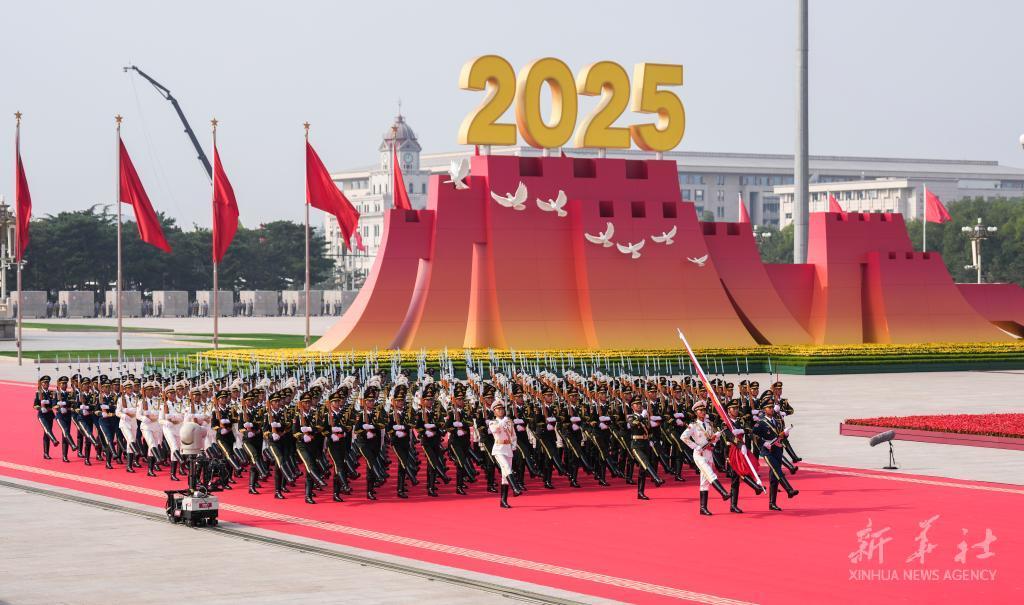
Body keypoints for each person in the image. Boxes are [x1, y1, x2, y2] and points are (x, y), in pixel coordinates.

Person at [681, 400, 731, 515]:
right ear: (695, 412)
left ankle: (703, 508)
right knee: (710, 474)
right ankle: (723, 493)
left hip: (708, 454)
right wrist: (695, 446)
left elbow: (711, 440)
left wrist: (716, 438)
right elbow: (683, 437)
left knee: (704, 482)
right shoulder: (693, 425)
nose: (703, 412)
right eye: (700, 410)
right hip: (699, 455)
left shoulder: (709, 425)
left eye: (704, 410)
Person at [753, 395, 800, 511]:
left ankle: (772, 503)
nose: (771, 409)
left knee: (774, 478)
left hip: (778, 450)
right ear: (764, 409)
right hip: (767, 452)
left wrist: (785, 434)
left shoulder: (777, 421)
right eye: (768, 407)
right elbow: (754, 435)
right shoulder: (761, 423)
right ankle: (789, 490)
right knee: (777, 471)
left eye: (771, 407)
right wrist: (763, 443)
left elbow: (779, 435)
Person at [625, 393, 665, 500]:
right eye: (636, 404)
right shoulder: (630, 416)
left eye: (640, 403)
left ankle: (640, 492)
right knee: (645, 462)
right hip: (636, 445)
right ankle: (656, 478)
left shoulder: (645, 416)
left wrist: (651, 440)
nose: (639, 405)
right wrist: (643, 416)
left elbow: (649, 429)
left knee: (643, 469)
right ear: (632, 406)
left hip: (645, 443)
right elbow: (633, 424)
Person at [486, 399, 522, 508]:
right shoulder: (493, 422)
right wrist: (504, 422)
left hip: (508, 448)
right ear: (494, 411)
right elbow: (495, 430)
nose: (501, 411)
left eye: (502, 409)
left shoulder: (508, 421)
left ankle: (503, 501)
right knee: (507, 468)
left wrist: (514, 445)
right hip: (498, 449)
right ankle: (515, 488)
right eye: (498, 409)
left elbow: (513, 434)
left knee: (504, 476)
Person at [34, 375, 59, 460]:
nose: (46, 384)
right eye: (44, 382)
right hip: (42, 416)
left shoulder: (52, 393)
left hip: (49, 415)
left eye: (47, 382)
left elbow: (53, 403)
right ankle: (54, 440)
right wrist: (41, 408)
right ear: (41, 384)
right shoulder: (38, 393)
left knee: (46, 434)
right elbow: (34, 405)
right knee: (47, 430)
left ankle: (46, 453)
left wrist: (48, 403)